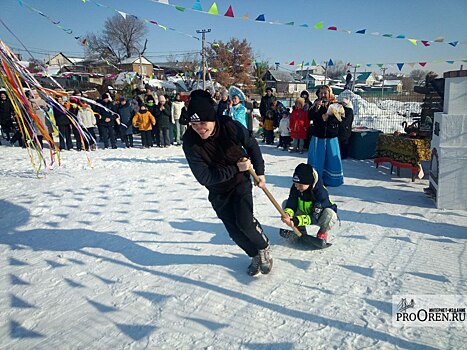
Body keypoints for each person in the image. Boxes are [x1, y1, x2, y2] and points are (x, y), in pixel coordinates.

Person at [182, 90, 272, 276]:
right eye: (194, 124)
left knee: (245, 222)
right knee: (234, 231)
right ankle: (254, 254)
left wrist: (260, 172)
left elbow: (252, 144)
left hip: (239, 183)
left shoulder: (230, 126)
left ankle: (263, 248)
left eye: (203, 123)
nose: (199, 128)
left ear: (212, 118)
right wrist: (236, 168)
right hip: (218, 190)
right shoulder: (190, 142)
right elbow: (204, 177)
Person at [280, 163, 337, 249]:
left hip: (319, 216)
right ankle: (300, 230)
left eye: (300, 185)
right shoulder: (296, 187)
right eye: (295, 184)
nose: (297, 187)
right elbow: (292, 202)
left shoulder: (320, 193)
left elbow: (314, 217)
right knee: (286, 203)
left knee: (330, 214)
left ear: (309, 183)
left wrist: (296, 221)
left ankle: (322, 234)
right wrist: (288, 214)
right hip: (305, 212)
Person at [307, 85, 344, 187]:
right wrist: (316, 109)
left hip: (331, 137)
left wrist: (329, 118)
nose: (323, 95)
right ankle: (316, 179)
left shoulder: (336, 105)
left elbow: (340, 119)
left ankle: (331, 180)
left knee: (331, 159)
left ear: (329, 94)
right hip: (318, 137)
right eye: (321, 93)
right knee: (317, 159)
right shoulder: (315, 104)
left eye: (325, 93)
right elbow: (310, 117)